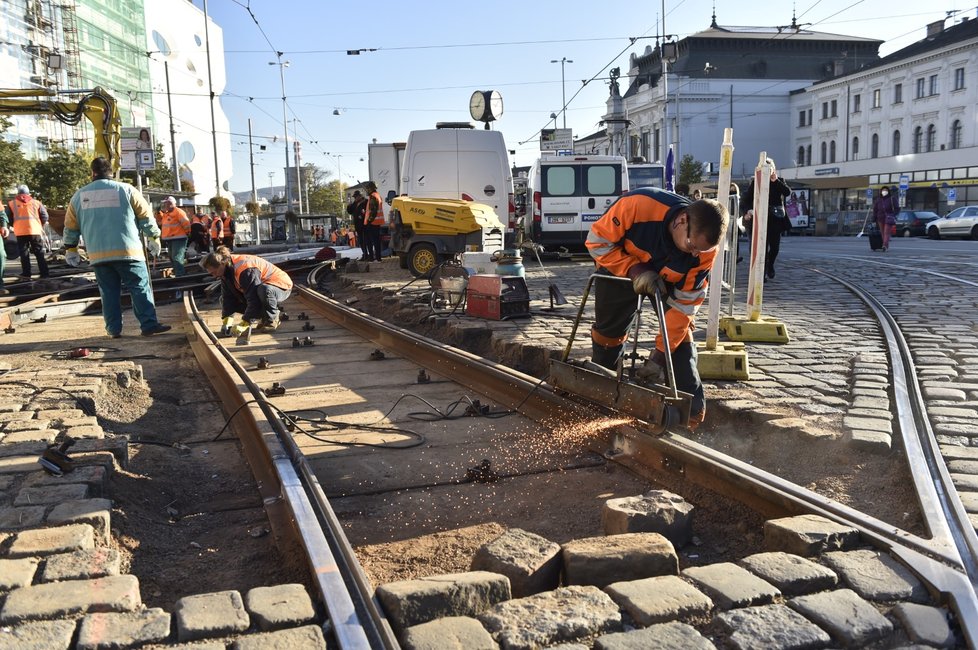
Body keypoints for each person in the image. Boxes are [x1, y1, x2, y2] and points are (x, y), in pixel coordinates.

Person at [585, 187, 728, 430]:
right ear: (681, 220)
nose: (695, 253)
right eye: (691, 244)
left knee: (679, 334)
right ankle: (600, 394)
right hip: (619, 268)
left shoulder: (703, 252)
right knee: (609, 335)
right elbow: (597, 241)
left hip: (668, 281)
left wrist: (658, 357)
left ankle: (690, 414)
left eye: (700, 250)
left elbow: (684, 307)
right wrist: (633, 269)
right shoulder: (639, 205)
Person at [62, 157, 171, 337]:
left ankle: (113, 330)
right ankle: (149, 325)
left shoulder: (79, 196)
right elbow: (145, 216)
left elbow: (70, 227)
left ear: (92, 173)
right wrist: (154, 237)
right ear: (111, 172)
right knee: (139, 287)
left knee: (109, 293)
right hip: (129, 252)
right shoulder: (127, 190)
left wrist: (71, 248)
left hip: (98, 255)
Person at [200, 246, 293, 339]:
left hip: (281, 287)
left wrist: (245, 323)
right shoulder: (226, 271)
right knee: (223, 299)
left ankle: (272, 318)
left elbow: (254, 299)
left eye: (214, 272)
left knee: (264, 290)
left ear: (222, 263)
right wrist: (227, 321)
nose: (214, 276)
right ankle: (264, 316)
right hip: (262, 291)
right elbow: (228, 298)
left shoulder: (245, 269)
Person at [740, 158, 792, 280]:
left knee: (774, 248)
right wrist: (747, 211)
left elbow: (787, 192)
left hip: (775, 219)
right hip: (760, 219)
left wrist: (776, 181)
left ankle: (770, 265)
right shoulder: (755, 182)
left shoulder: (779, 181)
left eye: (770, 169)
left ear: (773, 170)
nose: (767, 172)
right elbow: (746, 199)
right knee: (761, 248)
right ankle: (760, 274)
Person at [5, 185, 50, 279]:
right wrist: (38, 224)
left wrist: (16, 225)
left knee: (24, 253)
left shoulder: (11, 203)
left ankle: (26, 273)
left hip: (21, 232)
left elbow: (7, 218)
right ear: (28, 193)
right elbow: (45, 216)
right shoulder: (36, 203)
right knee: (39, 252)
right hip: (35, 231)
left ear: (18, 193)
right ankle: (44, 273)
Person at [157, 197, 191, 276]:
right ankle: (178, 273)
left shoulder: (179, 212)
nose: (165, 205)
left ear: (171, 203)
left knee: (176, 257)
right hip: (171, 239)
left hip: (179, 238)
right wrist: (158, 214)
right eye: (165, 203)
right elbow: (160, 223)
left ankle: (180, 275)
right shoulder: (166, 213)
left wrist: (188, 232)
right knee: (172, 257)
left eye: (167, 203)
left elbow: (186, 223)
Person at [363, 181, 385, 262]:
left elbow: (373, 211)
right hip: (376, 222)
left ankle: (373, 258)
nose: (367, 190)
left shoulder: (373, 196)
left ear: (371, 188)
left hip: (372, 222)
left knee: (371, 241)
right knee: (376, 241)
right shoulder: (377, 195)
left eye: (367, 188)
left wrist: (369, 221)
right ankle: (378, 258)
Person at [872, 186, 898, 252]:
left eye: (886, 190)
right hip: (880, 218)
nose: (884, 192)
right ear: (881, 192)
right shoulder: (878, 200)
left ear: (888, 191)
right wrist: (874, 218)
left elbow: (897, 208)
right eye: (883, 190)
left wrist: (893, 214)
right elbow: (875, 209)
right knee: (883, 233)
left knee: (886, 232)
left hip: (889, 218)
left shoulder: (892, 199)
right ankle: (885, 245)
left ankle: (884, 245)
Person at [346, 190, 368, 259]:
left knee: (366, 240)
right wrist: (349, 205)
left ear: (360, 196)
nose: (355, 198)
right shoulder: (355, 203)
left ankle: (368, 255)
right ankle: (364, 254)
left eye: (356, 197)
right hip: (358, 225)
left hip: (364, 224)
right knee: (361, 241)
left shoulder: (365, 202)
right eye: (355, 197)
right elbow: (350, 211)